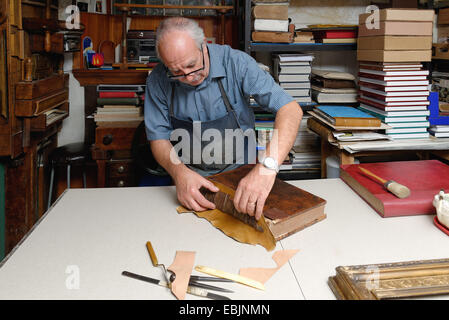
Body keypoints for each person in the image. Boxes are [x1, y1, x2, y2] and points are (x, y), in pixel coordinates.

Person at [144, 17, 303, 221]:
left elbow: (290, 109)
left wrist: (266, 168)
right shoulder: (157, 80)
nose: (189, 77)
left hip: (243, 176)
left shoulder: (236, 63)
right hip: (190, 179)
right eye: (177, 72)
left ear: (203, 45)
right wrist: (179, 173)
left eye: (193, 65)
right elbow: (158, 137)